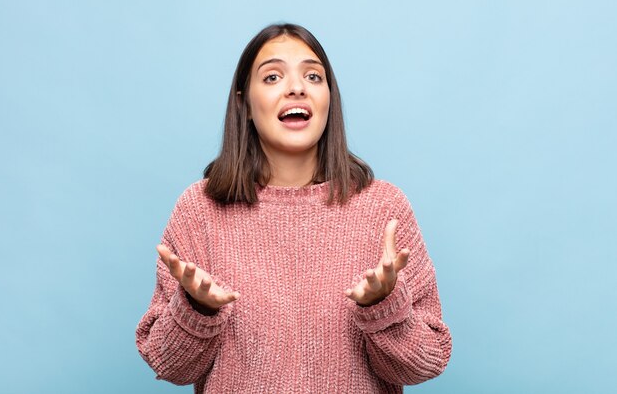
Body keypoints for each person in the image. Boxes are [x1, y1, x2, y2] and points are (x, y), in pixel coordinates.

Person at [136, 23, 452, 393]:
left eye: (313, 76)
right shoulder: (200, 210)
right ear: (245, 104)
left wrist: (384, 306)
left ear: (328, 99)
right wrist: (196, 309)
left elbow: (427, 362)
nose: (297, 87)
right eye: (272, 76)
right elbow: (168, 364)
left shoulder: (383, 207)